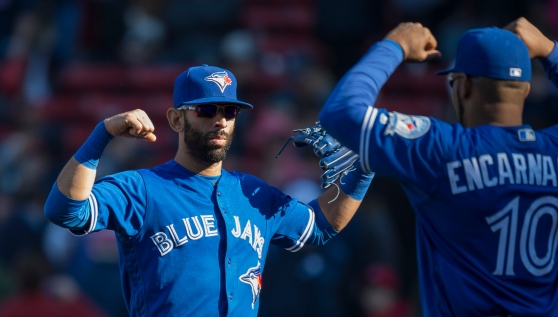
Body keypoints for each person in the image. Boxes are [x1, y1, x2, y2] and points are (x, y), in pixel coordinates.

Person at [318, 17, 558, 316]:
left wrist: (393, 46)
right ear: (525, 90)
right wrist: (552, 54)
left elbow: (341, 112)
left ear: (463, 87)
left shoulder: (442, 149)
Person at [44, 64, 374, 316]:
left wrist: (364, 167)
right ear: (176, 119)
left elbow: (321, 225)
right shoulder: (141, 189)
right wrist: (102, 135)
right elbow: (64, 210)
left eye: (229, 111)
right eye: (206, 110)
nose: (220, 120)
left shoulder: (253, 193)